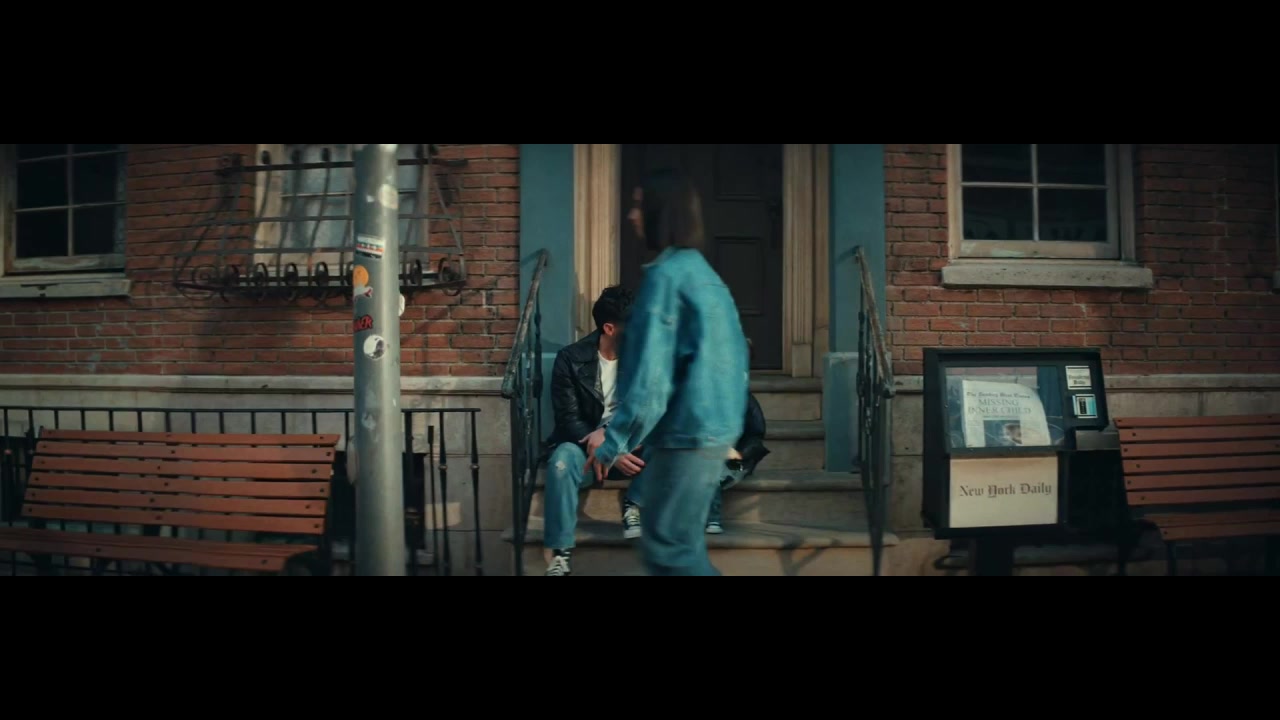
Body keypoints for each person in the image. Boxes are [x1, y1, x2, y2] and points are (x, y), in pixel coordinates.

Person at [583, 169, 749, 576]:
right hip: (711, 432)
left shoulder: (666, 278)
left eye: (639, 205)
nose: (631, 215)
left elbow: (651, 383)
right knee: (681, 547)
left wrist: (612, 442)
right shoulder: (706, 277)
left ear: (662, 211)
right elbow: (736, 362)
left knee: (669, 551)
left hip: (685, 435)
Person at [542, 285, 645, 577]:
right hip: (584, 446)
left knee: (670, 445)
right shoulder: (570, 358)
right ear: (610, 328)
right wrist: (601, 447)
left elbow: (647, 410)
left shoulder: (644, 359)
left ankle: (636, 504)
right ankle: (560, 554)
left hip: (631, 446)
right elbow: (568, 419)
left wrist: (611, 439)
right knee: (561, 461)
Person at [706, 391, 769, 534]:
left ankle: (713, 519)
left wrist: (739, 454)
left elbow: (756, 437)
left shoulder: (743, 397)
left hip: (738, 460)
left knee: (713, 473)